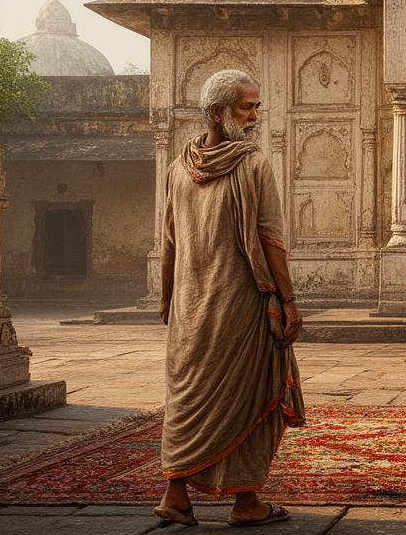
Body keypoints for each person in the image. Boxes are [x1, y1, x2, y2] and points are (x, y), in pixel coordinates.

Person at [154, 69, 303, 528]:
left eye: (256, 106)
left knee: (188, 400)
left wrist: (167, 300)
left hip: (190, 307)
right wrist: (289, 300)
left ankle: (176, 495)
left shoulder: (179, 168)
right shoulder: (251, 164)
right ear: (218, 113)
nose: (255, 116)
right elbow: (271, 239)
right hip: (240, 302)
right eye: (246, 107)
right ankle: (245, 501)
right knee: (257, 391)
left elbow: (169, 245)